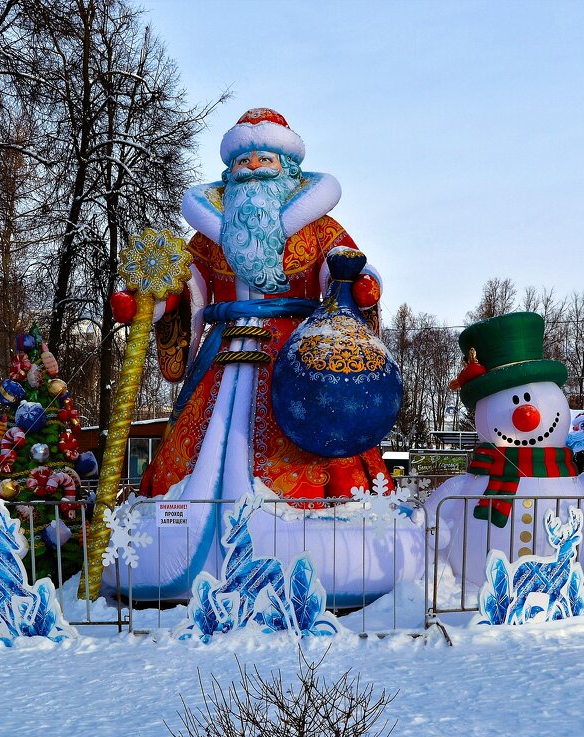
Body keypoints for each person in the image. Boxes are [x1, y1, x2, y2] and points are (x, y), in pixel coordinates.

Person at [135, 108, 392, 503]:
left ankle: (315, 515)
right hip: (223, 350)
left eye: (265, 159)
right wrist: (159, 301)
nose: (253, 166)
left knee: (308, 427)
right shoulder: (209, 232)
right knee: (197, 436)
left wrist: (358, 284)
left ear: (286, 166)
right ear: (229, 170)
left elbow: (341, 265)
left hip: (296, 352)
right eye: (243, 160)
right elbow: (190, 285)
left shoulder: (319, 225)